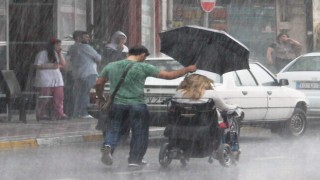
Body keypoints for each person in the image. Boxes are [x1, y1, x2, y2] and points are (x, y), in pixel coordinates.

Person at [95, 45, 196, 167]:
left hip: (117, 104)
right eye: (145, 57)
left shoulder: (111, 66)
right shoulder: (144, 67)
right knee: (140, 132)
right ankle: (135, 160)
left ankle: (108, 146)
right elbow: (169, 76)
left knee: (113, 128)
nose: (144, 59)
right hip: (137, 104)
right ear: (142, 54)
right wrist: (187, 69)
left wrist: (100, 97)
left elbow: (99, 82)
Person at [34, 38, 68, 120]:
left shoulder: (57, 54)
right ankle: (41, 113)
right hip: (46, 79)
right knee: (45, 97)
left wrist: (60, 54)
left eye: (60, 45)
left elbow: (63, 64)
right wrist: (49, 66)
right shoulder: (42, 54)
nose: (59, 47)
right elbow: (37, 66)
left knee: (59, 97)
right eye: (57, 45)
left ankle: (59, 113)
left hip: (57, 79)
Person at [71, 31, 101, 119]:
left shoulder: (72, 48)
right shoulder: (86, 47)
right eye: (86, 37)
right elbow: (98, 57)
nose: (88, 39)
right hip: (89, 72)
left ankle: (77, 112)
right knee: (86, 93)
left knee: (79, 94)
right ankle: (83, 112)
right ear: (78, 38)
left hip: (78, 73)